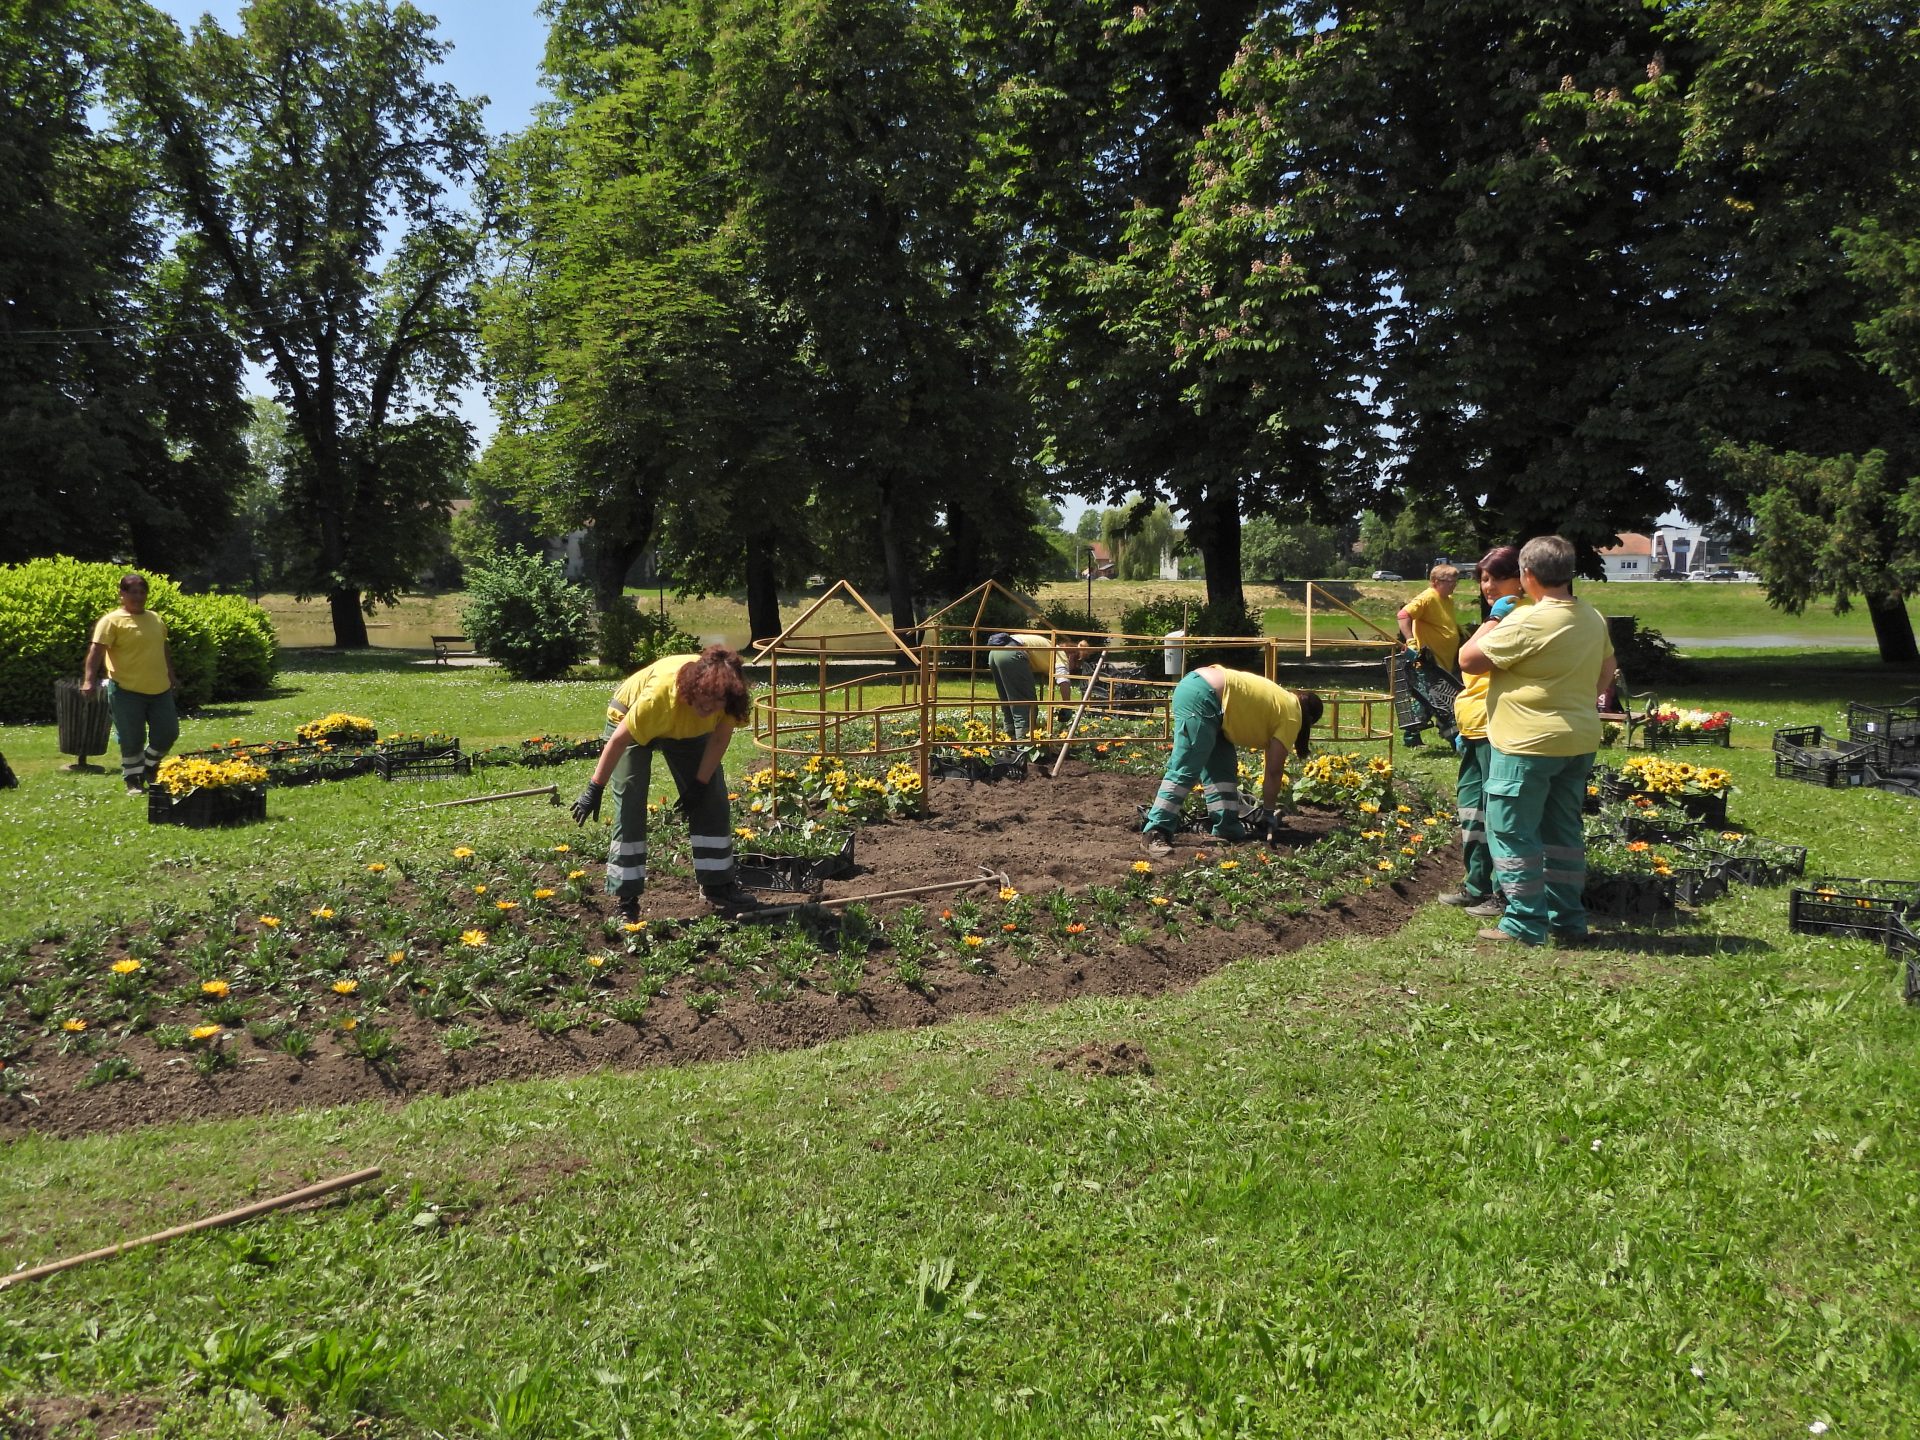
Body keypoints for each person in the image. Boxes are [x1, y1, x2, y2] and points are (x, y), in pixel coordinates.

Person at [1458, 535, 1616, 947]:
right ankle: (1568, 920)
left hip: (1526, 744)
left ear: (1527, 574)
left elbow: (1468, 660)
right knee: (1562, 833)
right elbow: (1607, 670)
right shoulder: (1591, 616)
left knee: (1511, 832)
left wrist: (1493, 619)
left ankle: (1525, 922)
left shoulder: (1528, 621)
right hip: (1578, 740)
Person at [571, 646, 754, 919]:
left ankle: (718, 885)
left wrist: (700, 784)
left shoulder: (729, 699)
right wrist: (594, 788)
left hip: (686, 730)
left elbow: (719, 738)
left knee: (711, 799)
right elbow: (619, 741)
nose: (707, 708)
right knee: (630, 804)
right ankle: (626, 898)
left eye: (715, 703)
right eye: (703, 699)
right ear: (692, 689)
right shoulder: (659, 697)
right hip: (629, 718)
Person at [1139, 665, 1323, 855]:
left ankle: (1226, 826)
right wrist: (1268, 814)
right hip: (1204, 696)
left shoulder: (1283, 703)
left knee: (1223, 769)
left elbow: (1271, 765)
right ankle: (1155, 831)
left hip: (1209, 695)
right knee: (1187, 765)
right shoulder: (1293, 716)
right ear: (1309, 721)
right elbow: (1274, 772)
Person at [1438, 546, 1524, 916]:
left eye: (1498, 577)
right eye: (1484, 579)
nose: (1488, 586)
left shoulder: (1518, 618)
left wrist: (1497, 618)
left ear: (1522, 578)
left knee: (1497, 815)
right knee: (1472, 811)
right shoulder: (1495, 618)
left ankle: (1503, 892)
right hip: (1473, 731)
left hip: (1496, 730)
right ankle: (1476, 884)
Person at [80, 573, 179, 794]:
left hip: (160, 689)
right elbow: (96, 651)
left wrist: (171, 675)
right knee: (132, 737)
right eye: (133, 592)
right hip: (126, 690)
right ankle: (133, 780)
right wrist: (89, 680)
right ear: (122, 594)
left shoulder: (155, 618)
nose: (138, 597)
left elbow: (163, 647)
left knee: (168, 733)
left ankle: (149, 765)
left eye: (142, 592)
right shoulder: (111, 621)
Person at [1394, 564, 1462, 745]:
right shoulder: (1428, 597)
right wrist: (1410, 641)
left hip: (1445, 662)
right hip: (1427, 661)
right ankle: (1415, 737)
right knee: (1432, 701)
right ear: (1435, 581)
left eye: (1456, 581)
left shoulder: (1448, 600)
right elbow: (1403, 615)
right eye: (1450, 581)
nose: (1454, 585)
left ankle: (1435, 733)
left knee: (1437, 700)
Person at [986, 632, 1093, 741]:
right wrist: (1067, 705)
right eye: (1076, 665)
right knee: (1027, 705)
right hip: (1012, 654)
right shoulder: (1060, 654)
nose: (1074, 668)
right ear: (1072, 656)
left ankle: (1010, 739)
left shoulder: (1050, 646)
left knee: (1007, 701)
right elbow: (1063, 680)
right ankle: (1025, 744)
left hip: (994, 653)